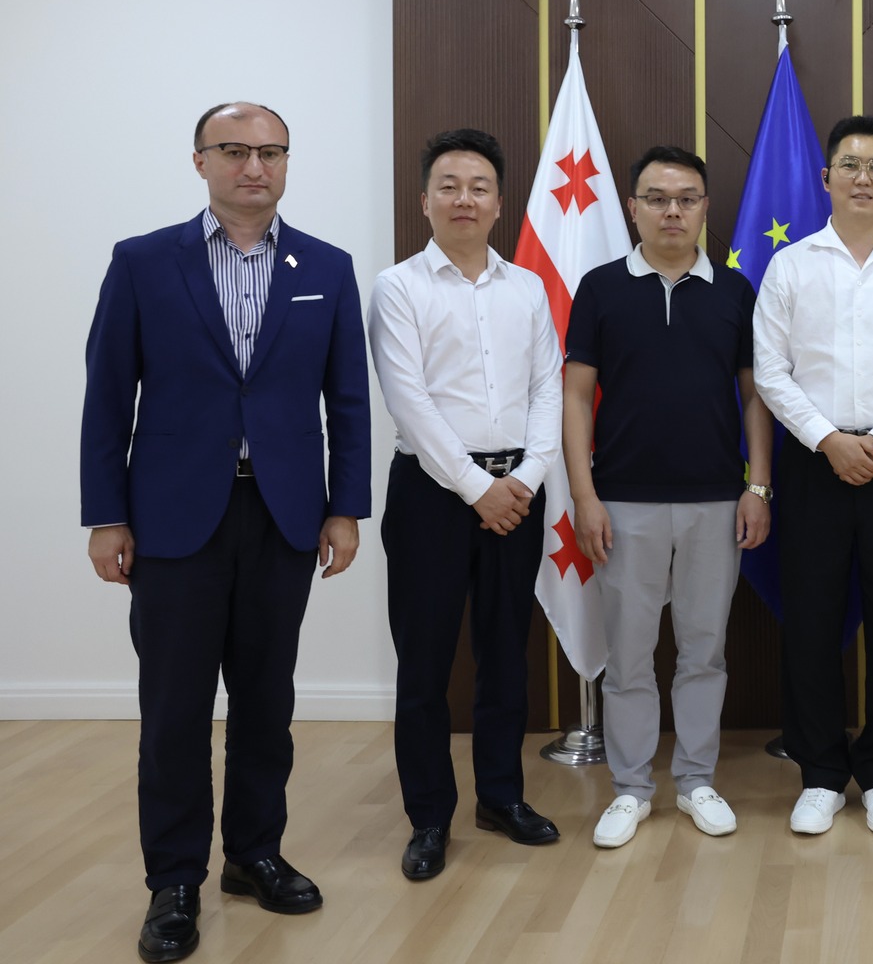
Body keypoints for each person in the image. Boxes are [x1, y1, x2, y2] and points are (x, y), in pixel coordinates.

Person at [82, 102, 370, 963]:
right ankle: (174, 881)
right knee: (174, 708)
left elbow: (348, 400)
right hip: (173, 519)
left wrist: (345, 506)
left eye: (271, 152)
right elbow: (108, 397)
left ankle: (253, 854)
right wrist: (106, 514)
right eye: (236, 150)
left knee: (266, 702)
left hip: (283, 515)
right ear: (200, 161)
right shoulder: (143, 262)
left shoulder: (326, 266)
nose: (255, 166)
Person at [367, 129, 563, 881]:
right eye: (448, 186)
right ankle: (428, 817)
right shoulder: (398, 288)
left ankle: (501, 797)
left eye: (479, 187)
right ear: (424, 200)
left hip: (518, 493)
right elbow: (409, 402)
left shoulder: (528, 289)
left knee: (505, 654)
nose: (464, 199)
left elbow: (547, 388)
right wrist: (478, 489)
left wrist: (530, 475)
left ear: (499, 202)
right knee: (424, 662)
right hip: (432, 495)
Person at [564, 146, 771, 848]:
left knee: (704, 650)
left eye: (686, 198)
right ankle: (630, 789)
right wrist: (584, 495)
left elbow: (755, 398)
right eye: (657, 198)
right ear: (633, 208)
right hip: (624, 501)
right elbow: (576, 396)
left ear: (706, 207)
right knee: (628, 657)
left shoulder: (734, 291)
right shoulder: (600, 288)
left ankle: (695, 780)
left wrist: (758, 486)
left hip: (717, 500)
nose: (672, 210)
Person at [752, 115, 873, 836]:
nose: (862, 178)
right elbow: (770, 371)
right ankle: (821, 773)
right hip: (814, 464)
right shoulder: (791, 266)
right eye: (849, 164)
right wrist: (828, 440)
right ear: (826, 177)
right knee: (810, 620)